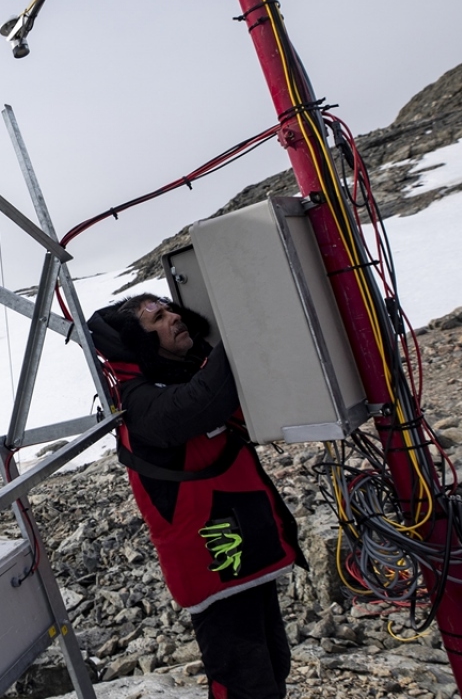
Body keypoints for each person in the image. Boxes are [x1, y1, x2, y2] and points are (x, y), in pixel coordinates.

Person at [88, 293, 305, 699]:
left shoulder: (184, 374)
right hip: (214, 563)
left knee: (273, 665)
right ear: (139, 340)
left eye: (171, 310)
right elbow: (201, 402)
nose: (174, 318)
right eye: (158, 318)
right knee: (242, 682)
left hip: (244, 549)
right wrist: (238, 318)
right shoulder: (138, 401)